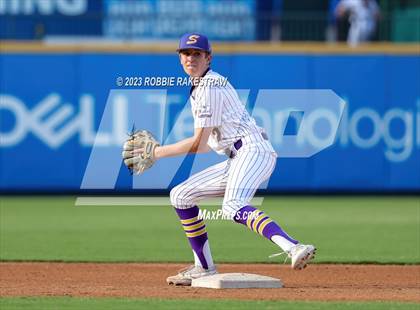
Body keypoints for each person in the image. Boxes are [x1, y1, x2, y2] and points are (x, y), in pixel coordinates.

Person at [153, 33, 316, 286]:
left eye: (197, 53)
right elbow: (205, 145)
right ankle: (204, 267)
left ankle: (294, 247)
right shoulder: (201, 86)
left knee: (232, 206)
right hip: (238, 156)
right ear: (179, 58)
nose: (191, 58)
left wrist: (156, 152)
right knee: (181, 195)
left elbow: (199, 145)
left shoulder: (209, 87)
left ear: (209, 57)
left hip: (253, 151)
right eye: (186, 53)